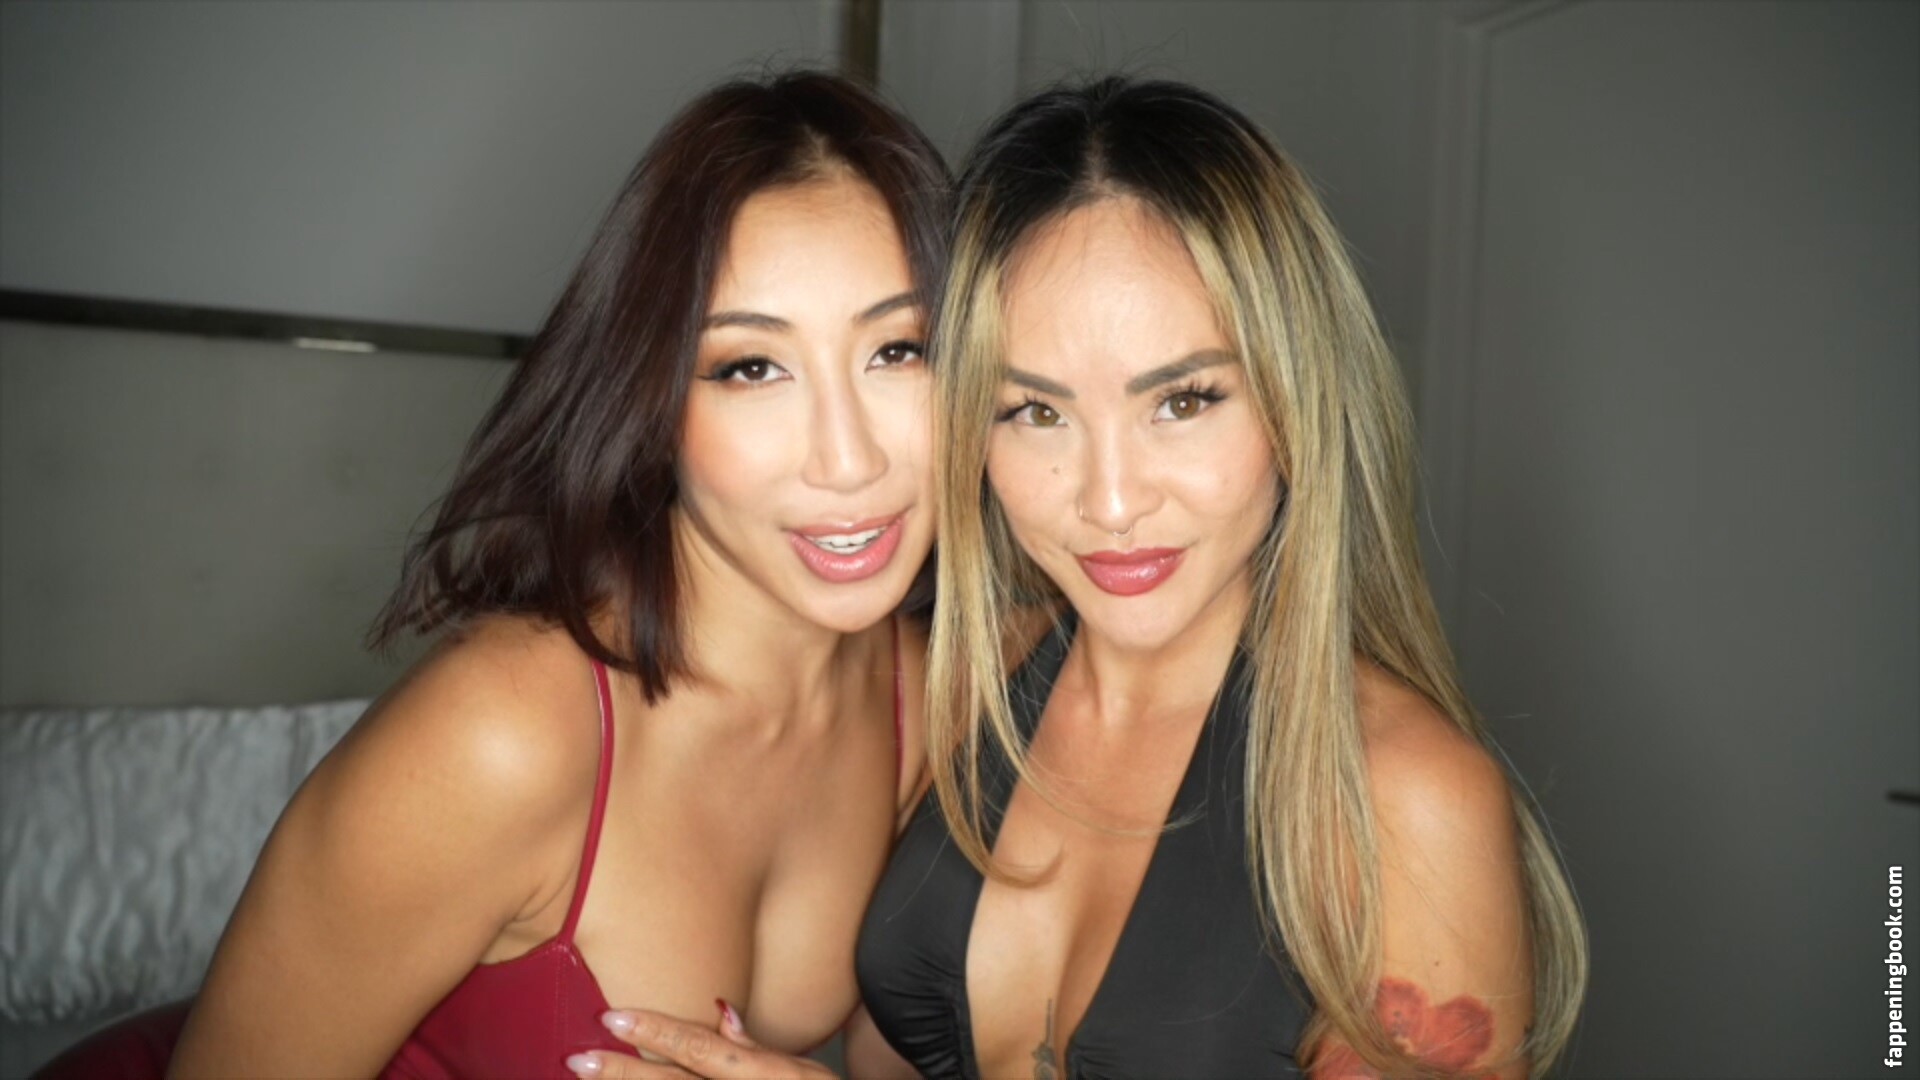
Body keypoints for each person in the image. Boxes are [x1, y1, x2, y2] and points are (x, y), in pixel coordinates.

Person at [597, 77, 1586, 1080]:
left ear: (1296, 395)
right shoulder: (966, 689)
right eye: (1035, 412)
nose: (1111, 502)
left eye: (1183, 400)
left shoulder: (1409, 803)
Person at [36, 70, 947, 1080]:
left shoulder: (926, 705)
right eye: (750, 367)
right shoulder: (500, 737)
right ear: (651, 401)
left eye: (899, 350)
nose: (848, 459)